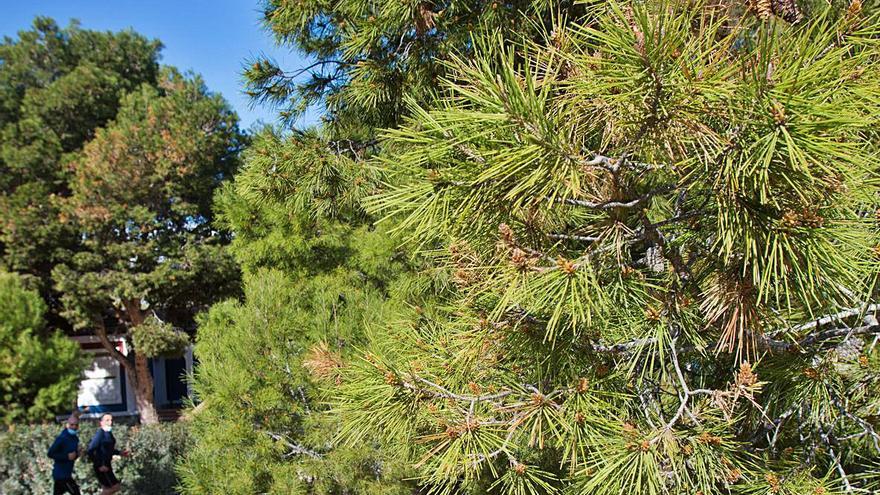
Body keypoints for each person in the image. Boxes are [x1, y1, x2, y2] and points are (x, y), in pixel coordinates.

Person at [87, 413, 129, 495]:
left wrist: (120, 453)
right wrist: (99, 465)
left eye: (111, 420)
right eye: (107, 420)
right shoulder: (100, 434)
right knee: (115, 487)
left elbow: (109, 449)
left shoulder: (108, 433)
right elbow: (91, 449)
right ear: (101, 422)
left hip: (107, 464)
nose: (110, 422)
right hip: (102, 466)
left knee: (107, 488)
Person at [47, 414, 82, 495]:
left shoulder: (75, 438)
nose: (74, 427)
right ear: (67, 425)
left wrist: (77, 454)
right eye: (71, 424)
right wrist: (66, 456)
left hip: (67, 473)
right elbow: (50, 454)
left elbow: (72, 456)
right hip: (61, 475)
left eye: (76, 425)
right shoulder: (62, 438)